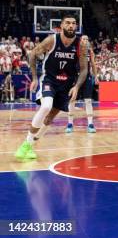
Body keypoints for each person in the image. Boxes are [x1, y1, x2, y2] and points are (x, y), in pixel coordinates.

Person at [15, 15, 89, 160]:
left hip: (67, 85)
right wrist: (35, 77)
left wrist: (77, 87)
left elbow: (84, 69)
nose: (71, 26)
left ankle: (31, 145)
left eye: (74, 23)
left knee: (49, 119)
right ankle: (26, 144)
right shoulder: (52, 40)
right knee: (46, 106)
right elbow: (32, 55)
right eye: (67, 23)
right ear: (61, 25)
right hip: (49, 80)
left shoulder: (81, 44)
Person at [66, 43, 98, 133]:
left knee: (88, 101)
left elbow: (93, 64)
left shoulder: (90, 52)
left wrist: (95, 76)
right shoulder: (74, 50)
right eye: (83, 39)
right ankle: (70, 124)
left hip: (86, 79)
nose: (85, 40)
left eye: (87, 39)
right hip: (76, 78)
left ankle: (91, 124)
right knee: (72, 100)